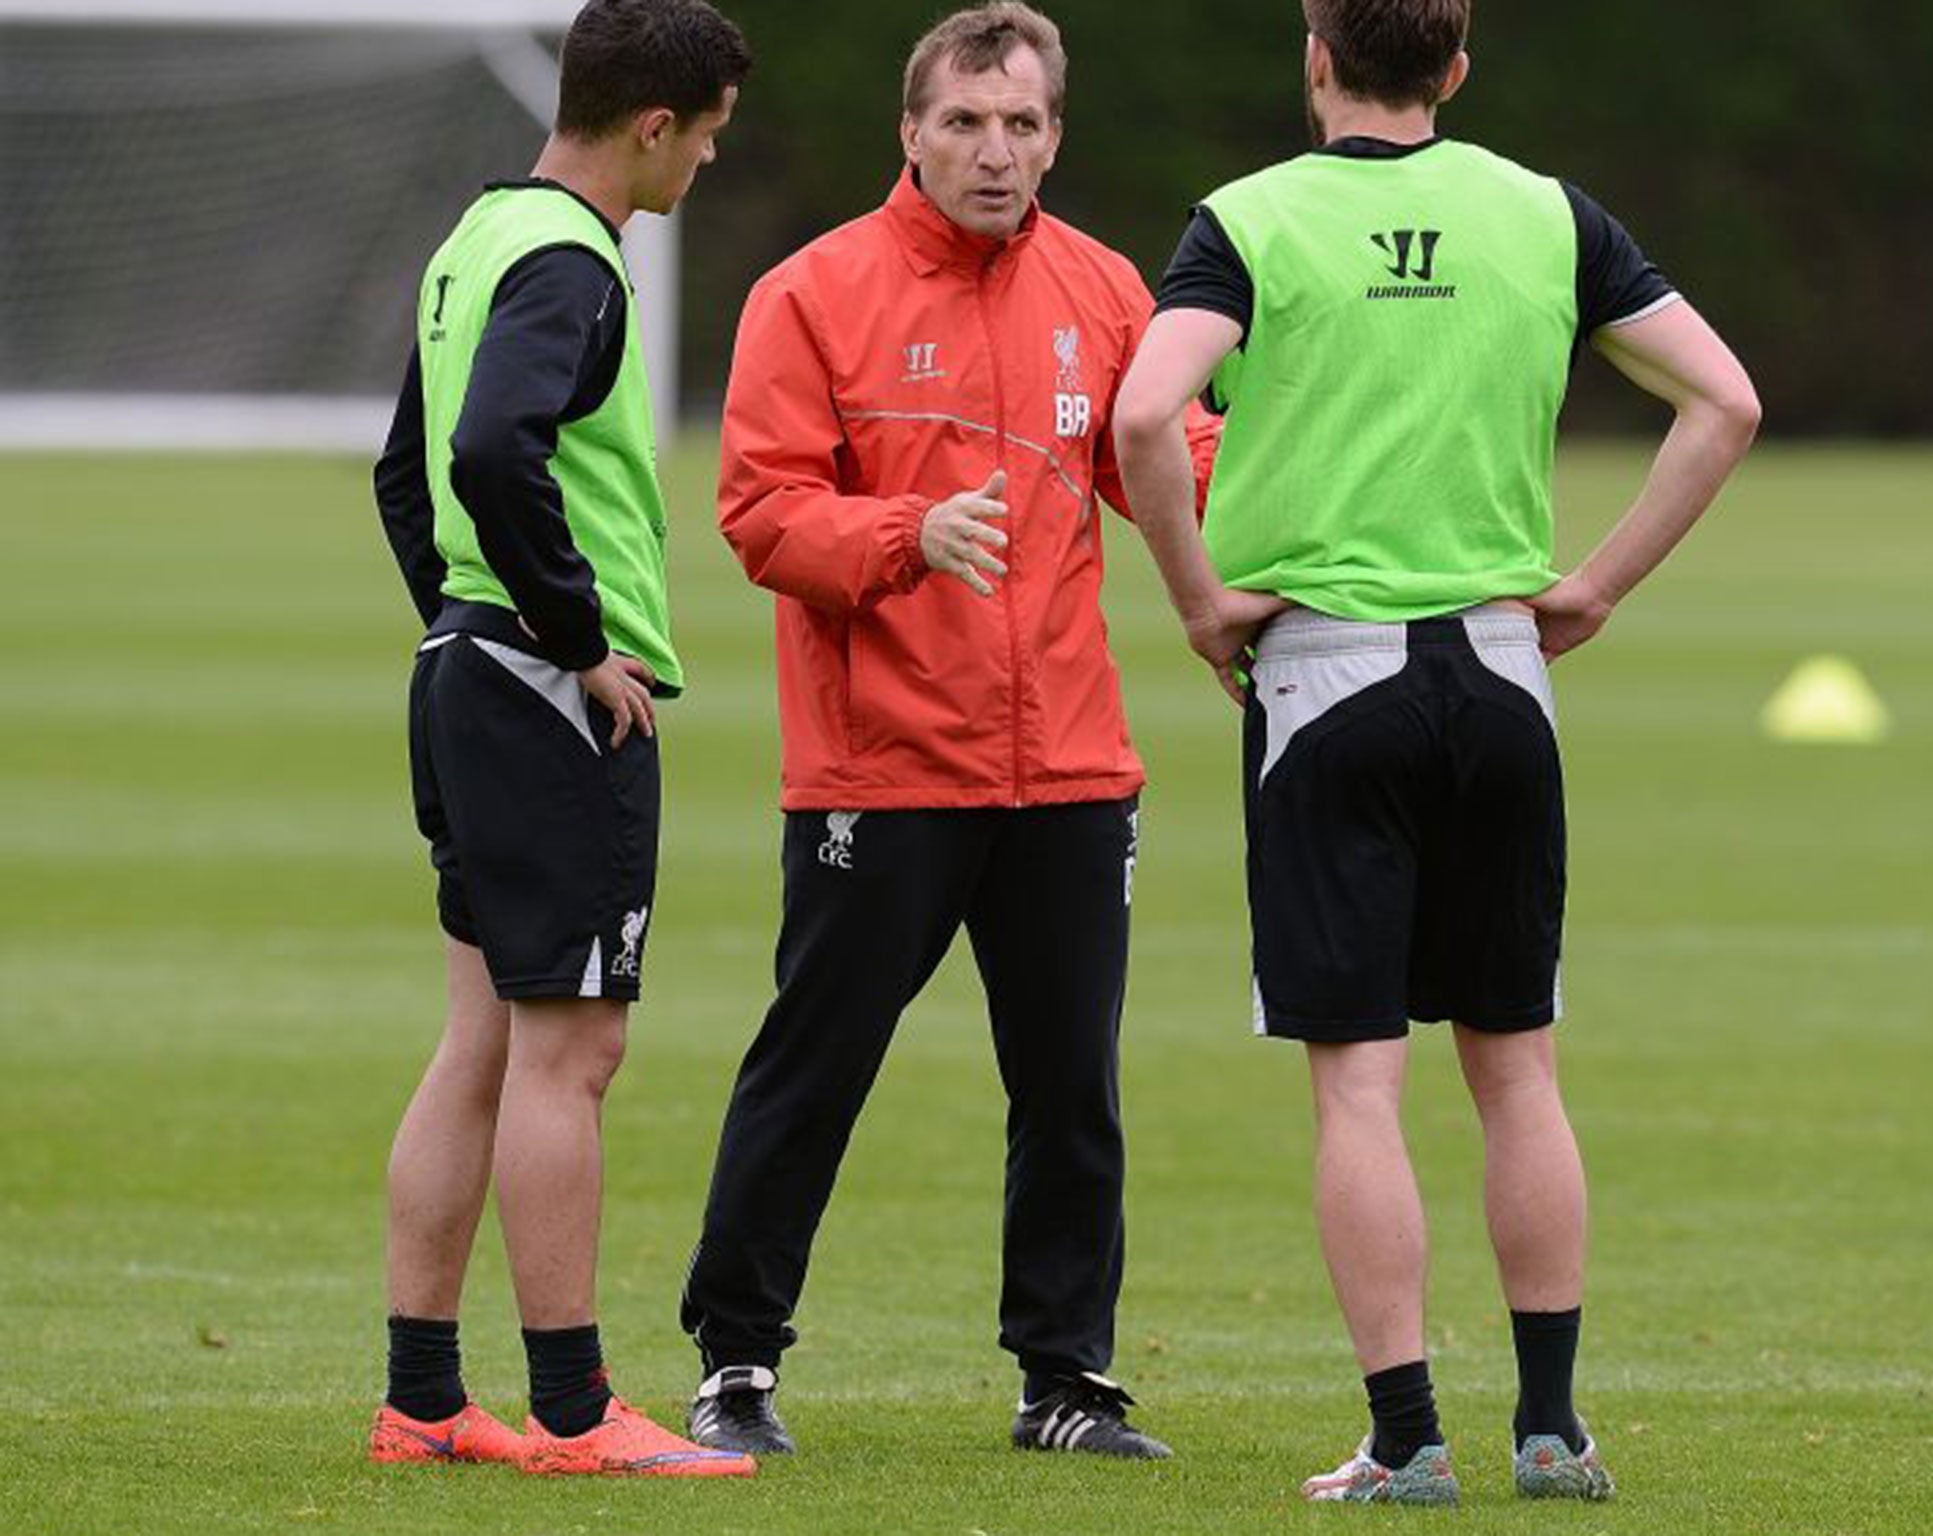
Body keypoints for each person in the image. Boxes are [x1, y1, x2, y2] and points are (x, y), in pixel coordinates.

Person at [1112, 0, 1761, 1507]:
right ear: (1456, 71)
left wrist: (1201, 599)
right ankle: (1551, 1430)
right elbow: (1722, 402)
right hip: (1503, 678)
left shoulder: (1250, 221)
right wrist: (1592, 586)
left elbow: (1150, 413)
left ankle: (1407, 1438)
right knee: (1517, 1068)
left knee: (1360, 1088)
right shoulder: (1545, 213)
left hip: (1329, 681)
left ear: (1315, 58)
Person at [676, 2, 1218, 1463]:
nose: (996, 151)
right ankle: (734, 1361)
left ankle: (1065, 1378)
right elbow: (763, 512)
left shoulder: (1108, 294)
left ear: (1056, 136)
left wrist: (1316, 552)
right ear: (910, 131)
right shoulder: (811, 295)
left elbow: (1185, 468)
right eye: (967, 123)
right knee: (816, 1064)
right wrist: (914, 532)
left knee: (1071, 1087)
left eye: (1023, 124)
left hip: (1071, 770)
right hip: (884, 766)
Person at [368, 0, 755, 1480]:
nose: (709, 161)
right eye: (707, 135)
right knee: (569, 1053)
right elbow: (479, 452)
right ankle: (577, 1415)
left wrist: (463, 622)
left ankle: (421, 1395)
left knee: (481, 1040)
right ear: (652, 122)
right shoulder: (573, 261)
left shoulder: (472, 241)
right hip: (539, 688)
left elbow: (407, 472)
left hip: (469, 668)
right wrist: (573, 641)